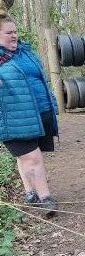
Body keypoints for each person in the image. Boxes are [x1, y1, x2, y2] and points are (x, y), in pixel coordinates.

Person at [0, 13, 59, 217]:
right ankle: (45, 198)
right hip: (13, 119)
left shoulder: (25, 52)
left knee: (26, 157)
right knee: (32, 158)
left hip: (37, 114)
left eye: (15, 31)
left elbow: (41, 78)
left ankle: (30, 192)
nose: (14, 36)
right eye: (9, 33)